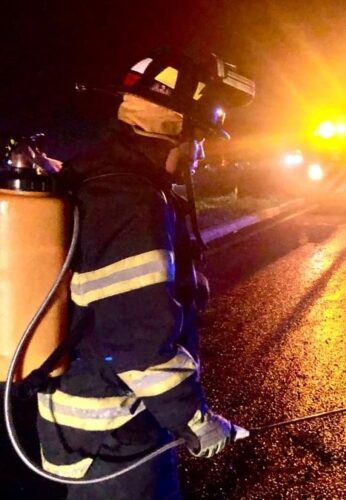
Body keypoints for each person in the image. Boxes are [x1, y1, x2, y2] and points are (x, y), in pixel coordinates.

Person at [34, 47, 255, 499]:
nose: (200, 155)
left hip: (88, 427)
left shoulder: (97, 176)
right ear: (176, 130)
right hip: (115, 436)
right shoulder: (131, 200)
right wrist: (196, 421)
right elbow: (139, 344)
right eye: (200, 138)